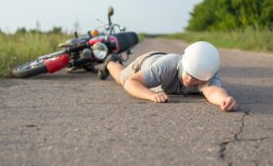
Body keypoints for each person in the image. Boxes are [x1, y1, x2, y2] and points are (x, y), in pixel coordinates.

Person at [99, 41, 238, 112]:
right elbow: (132, 82)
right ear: (184, 63)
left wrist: (224, 100)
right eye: (188, 74)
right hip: (147, 62)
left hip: (162, 63)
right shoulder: (167, 66)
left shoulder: (207, 71)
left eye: (196, 78)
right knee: (120, 78)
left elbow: (213, 91)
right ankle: (110, 62)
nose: (190, 80)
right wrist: (151, 95)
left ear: (206, 77)